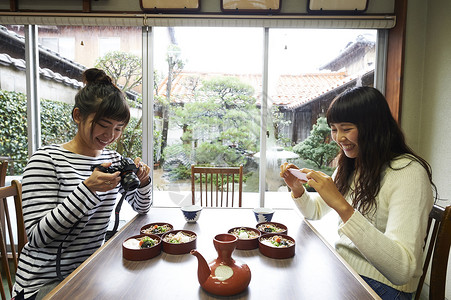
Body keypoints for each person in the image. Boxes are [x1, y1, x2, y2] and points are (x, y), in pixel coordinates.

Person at [280, 86, 436, 300]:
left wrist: (343, 206)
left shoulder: (408, 173)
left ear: (374, 127)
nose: (338, 138)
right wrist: (297, 189)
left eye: (346, 128)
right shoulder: (354, 163)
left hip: (384, 286)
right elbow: (314, 212)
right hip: (344, 268)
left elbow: (401, 270)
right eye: (334, 129)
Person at [12, 68, 152, 300]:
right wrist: (87, 190)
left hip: (90, 272)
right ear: (78, 115)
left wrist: (144, 181)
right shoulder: (46, 160)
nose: (110, 135)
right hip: (43, 284)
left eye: (118, 128)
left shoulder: (114, 160)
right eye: (103, 125)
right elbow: (37, 236)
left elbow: (141, 208)